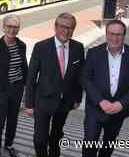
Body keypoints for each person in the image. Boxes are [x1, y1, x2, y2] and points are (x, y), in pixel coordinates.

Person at [82, 19, 129, 157]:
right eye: (111, 33)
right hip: (96, 108)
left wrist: (121, 104)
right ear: (106, 34)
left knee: (108, 144)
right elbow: (86, 79)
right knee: (90, 142)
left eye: (119, 34)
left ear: (124, 35)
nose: (114, 38)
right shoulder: (93, 53)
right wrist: (100, 101)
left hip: (118, 111)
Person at [25, 12, 85, 157]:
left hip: (65, 103)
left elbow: (79, 76)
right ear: (55, 27)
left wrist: (77, 98)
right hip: (43, 101)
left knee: (57, 135)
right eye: (63, 27)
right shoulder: (41, 47)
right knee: (40, 139)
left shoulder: (78, 48)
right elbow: (31, 77)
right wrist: (29, 104)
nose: (66, 31)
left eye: (70, 28)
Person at [0, 14, 28, 157]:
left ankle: (9, 144)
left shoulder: (21, 45)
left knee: (13, 120)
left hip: (16, 89)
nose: (12, 30)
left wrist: (25, 91)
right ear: (4, 27)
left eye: (15, 27)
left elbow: (25, 68)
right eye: (9, 26)